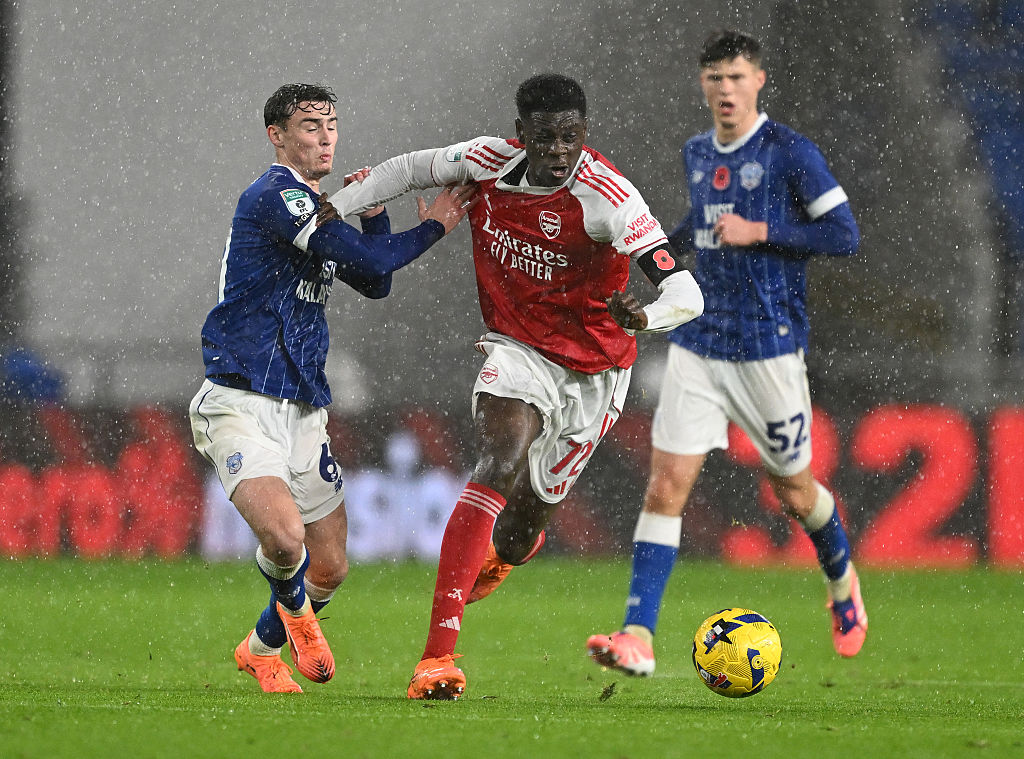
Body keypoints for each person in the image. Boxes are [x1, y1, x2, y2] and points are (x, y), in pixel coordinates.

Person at [330, 73, 705, 699]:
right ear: (521, 131)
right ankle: (436, 661)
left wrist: (646, 316)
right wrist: (326, 212)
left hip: (594, 371)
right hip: (518, 349)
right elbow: (402, 170)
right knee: (498, 457)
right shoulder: (485, 161)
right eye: (546, 137)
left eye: (571, 137)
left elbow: (686, 293)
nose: (560, 150)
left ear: (584, 133)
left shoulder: (610, 198)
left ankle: (505, 554)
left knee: (525, 525)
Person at [585, 29, 866, 677]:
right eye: (714, 79)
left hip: (768, 350)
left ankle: (842, 579)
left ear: (758, 81)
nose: (725, 90)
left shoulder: (790, 152)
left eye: (737, 78)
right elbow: (696, 233)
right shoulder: (695, 153)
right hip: (700, 343)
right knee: (665, 486)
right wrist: (650, 262)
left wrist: (761, 231)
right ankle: (638, 635)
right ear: (703, 85)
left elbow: (843, 234)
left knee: (795, 493)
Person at [188, 83, 476, 693]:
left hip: (302, 408)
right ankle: (293, 613)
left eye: (332, 125)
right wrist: (438, 228)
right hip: (240, 398)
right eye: (311, 125)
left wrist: (375, 213)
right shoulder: (275, 196)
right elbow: (375, 266)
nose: (326, 137)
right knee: (284, 537)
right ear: (277, 136)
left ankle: (261, 650)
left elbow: (373, 285)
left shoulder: (322, 207)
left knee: (331, 564)